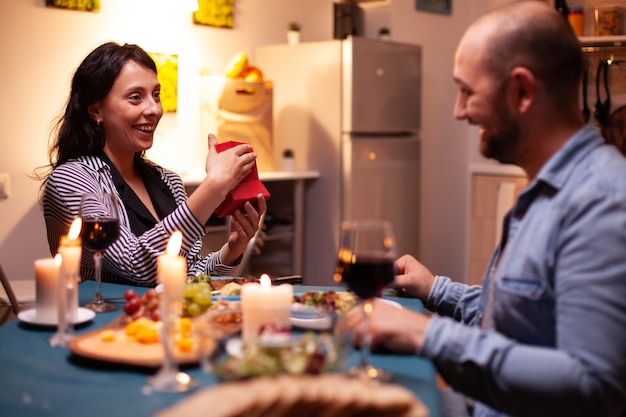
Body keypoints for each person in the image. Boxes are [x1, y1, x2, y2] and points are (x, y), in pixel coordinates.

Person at [348, 2, 626, 417]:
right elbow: (517, 321)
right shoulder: (546, 188)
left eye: (467, 91)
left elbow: (592, 384)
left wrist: (428, 335)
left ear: (522, 91)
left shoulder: (600, 201)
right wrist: (435, 289)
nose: (459, 111)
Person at [40, 42, 267, 287]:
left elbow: (187, 274)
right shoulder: (70, 179)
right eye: (135, 97)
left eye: (156, 95)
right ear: (96, 110)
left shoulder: (168, 181)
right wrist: (213, 187)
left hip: (164, 321)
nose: (154, 109)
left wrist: (231, 250)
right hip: (104, 323)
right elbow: (137, 265)